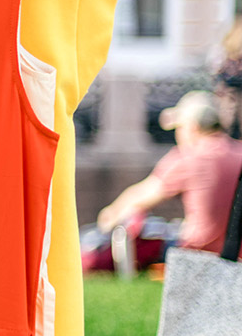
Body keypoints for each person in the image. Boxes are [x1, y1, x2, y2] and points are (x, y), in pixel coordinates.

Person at [98, 91, 242, 254]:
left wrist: (107, 218)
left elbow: (139, 198)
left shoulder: (189, 157)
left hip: (199, 253)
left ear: (192, 127)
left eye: (179, 127)